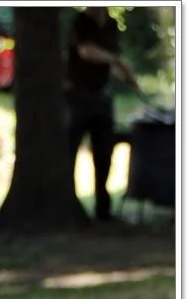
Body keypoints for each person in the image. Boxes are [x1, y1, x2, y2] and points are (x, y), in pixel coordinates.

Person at [65, 7, 139, 221]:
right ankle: (70, 204)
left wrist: (125, 75)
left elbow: (112, 58)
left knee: (104, 155)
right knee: (70, 151)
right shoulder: (80, 22)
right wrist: (115, 61)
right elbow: (86, 51)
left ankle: (103, 209)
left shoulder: (111, 25)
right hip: (77, 97)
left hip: (102, 98)